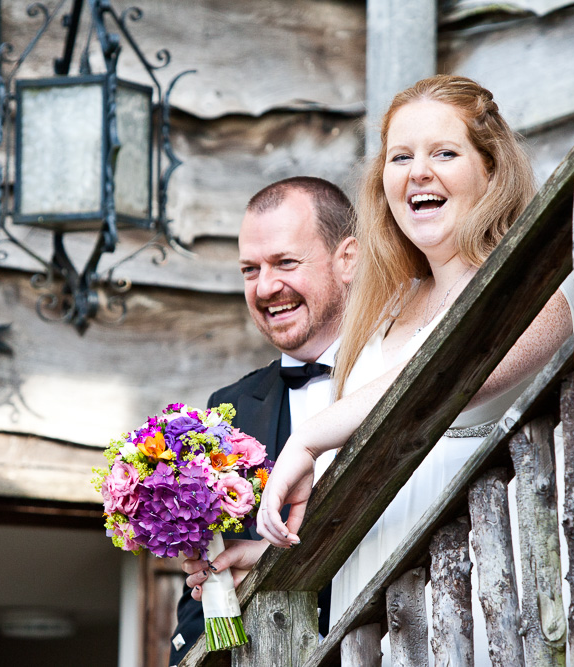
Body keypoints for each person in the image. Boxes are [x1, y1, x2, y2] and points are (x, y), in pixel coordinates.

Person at [256, 75, 573, 652]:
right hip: (371, 618)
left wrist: (307, 439)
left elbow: (445, 375)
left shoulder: (538, 297)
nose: (418, 172)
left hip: (480, 605)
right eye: (400, 157)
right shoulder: (385, 307)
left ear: (492, 171)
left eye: (444, 153)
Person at [167, 176, 358, 665]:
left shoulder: (393, 370)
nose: (267, 287)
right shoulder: (227, 409)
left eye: (286, 262)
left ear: (348, 260)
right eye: (250, 269)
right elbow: (210, 580)